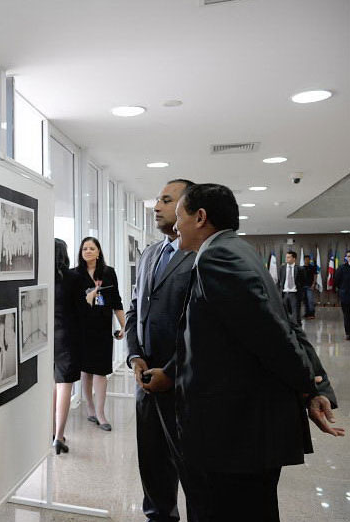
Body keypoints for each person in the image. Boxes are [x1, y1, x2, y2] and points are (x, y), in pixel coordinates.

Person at [168, 183, 343, 521]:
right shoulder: (241, 250)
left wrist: (309, 387)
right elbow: (286, 324)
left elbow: (272, 335)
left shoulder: (216, 257)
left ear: (201, 217)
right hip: (245, 428)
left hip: (235, 432)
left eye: (180, 217)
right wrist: (313, 387)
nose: (176, 227)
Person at [125, 179, 196, 521]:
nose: (157, 207)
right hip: (146, 382)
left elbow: (203, 328)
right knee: (153, 469)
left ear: (188, 209)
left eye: (166, 200)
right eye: (157, 200)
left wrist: (171, 371)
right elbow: (135, 309)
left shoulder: (202, 255)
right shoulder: (150, 253)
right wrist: (134, 356)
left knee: (196, 476)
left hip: (184, 384)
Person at [75, 236, 125, 431]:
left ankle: (101, 413)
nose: (87, 251)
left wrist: (123, 325)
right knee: (86, 371)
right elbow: (72, 305)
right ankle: (90, 409)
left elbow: (116, 302)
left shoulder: (108, 272)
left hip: (103, 329)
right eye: (84, 248)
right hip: (82, 329)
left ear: (98, 252)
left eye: (91, 248)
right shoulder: (75, 275)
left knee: (101, 371)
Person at [53, 239, 82, 455]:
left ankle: (48, 432)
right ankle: (59, 436)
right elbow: (81, 310)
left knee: (51, 386)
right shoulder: (73, 277)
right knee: (64, 387)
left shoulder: (41, 275)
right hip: (68, 336)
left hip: (46, 337)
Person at [279, 250, 306, 324]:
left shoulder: (300, 269)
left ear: (294, 259)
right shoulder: (282, 268)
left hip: (295, 293)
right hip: (284, 293)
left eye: (288, 257)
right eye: (286, 257)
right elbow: (280, 280)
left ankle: (296, 329)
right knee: (285, 313)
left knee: (295, 313)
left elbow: (303, 282)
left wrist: (300, 292)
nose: (286, 259)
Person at [336, 250, 350, 340]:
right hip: (346, 296)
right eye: (348, 256)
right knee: (347, 315)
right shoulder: (341, 268)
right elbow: (337, 281)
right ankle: (348, 333)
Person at [302, 254, 317, 319]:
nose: (307, 261)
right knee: (305, 301)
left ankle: (312, 314)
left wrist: (313, 284)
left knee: (310, 301)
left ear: (309, 260)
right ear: (304, 260)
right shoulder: (301, 268)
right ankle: (307, 313)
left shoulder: (312, 267)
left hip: (310, 286)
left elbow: (315, 276)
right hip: (303, 287)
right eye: (305, 260)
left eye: (308, 260)